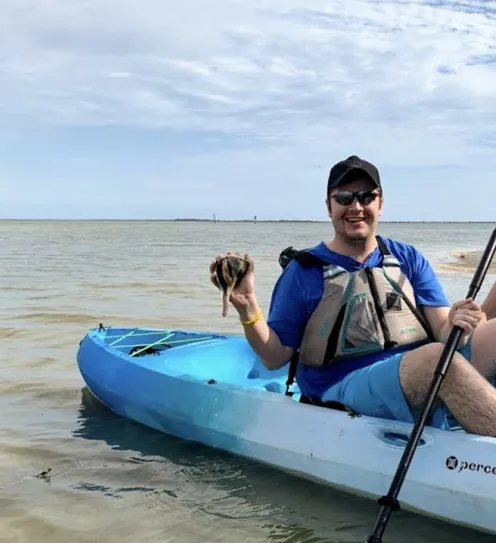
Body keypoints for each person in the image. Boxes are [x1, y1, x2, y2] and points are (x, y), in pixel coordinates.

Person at [210, 155, 496, 437]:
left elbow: (443, 331)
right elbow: (274, 357)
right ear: (329, 206)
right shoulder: (304, 270)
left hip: (413, 371)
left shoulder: (407, 257)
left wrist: (461, 322)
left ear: (380, 203)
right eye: (344, 198)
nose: (356, 207)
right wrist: (248, 308)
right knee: (434, 360)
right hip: (341, 385)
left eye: (366, 197)